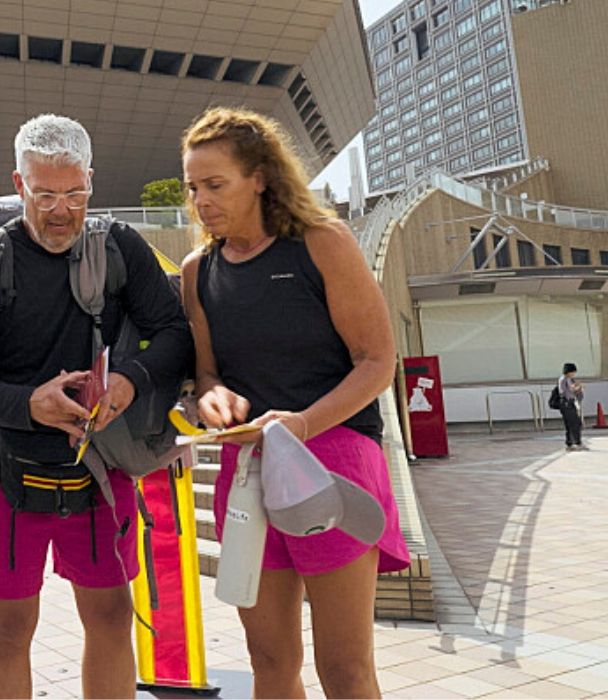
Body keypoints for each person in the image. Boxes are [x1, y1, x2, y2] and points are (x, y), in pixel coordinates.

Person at [0, 114, 191, 698]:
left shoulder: (120, 247)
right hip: (4, 472)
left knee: (110, 616)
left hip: (97, 469)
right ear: (19, 183)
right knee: (8, 629)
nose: (61, 210)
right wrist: (31, 404)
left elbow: (174, 332)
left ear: (92, 183)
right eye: (45, 194)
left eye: (75, 193)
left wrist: (130, 380)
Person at [178, 106, 411, 698]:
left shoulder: (321, 243)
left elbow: (378, 361)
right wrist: (215, 400)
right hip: (247, 472)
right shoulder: (197, 271)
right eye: (193, 187)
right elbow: (206, 375)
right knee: (270, 661)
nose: (201, 200)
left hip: (332, 461)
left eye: (215, 184)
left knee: (345, 668)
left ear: (260, 177)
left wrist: (302, 423)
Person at [558, 362, 585, 450]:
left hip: (571, 402)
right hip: (566, 403)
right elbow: (563, 391)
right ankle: (576, 442)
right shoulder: (563, 379)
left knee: (574, 423)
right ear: (568, 371)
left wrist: (578, 389)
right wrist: (575, 388)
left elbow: (573, 390)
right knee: (574, 423)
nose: (573, 374)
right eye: (572, 371)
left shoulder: (570, 379)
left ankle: (570, 442)